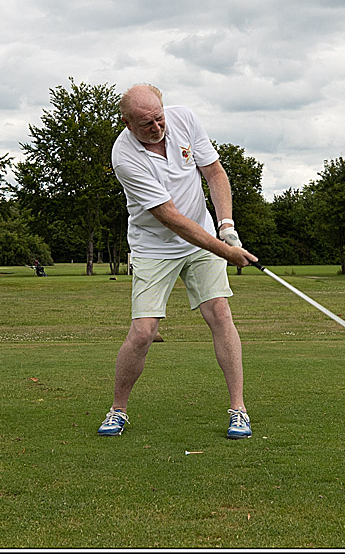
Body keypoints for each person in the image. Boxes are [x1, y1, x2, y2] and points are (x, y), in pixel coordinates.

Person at [97, 84, 259, 439]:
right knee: (143, 333)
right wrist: (225, 251)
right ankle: (118, 409)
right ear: (126, 123)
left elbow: (214, 173)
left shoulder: (184, 119)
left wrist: (226, 226)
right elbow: (169, 216)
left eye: (158, 118)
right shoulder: (124, 157)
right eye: (145, 124)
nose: (156, 127)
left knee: (220, 313)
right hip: (154, 246)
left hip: (202, 236)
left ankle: (239, 410)